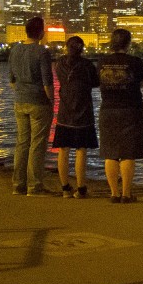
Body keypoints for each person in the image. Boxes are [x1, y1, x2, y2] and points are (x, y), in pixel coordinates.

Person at [97, 28, 143, 203]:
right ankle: (126, 194)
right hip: (131, 109)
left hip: (108, 109)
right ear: (128, 43)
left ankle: (114, 193)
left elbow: (99, 81)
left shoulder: (102, 61)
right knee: (128, 153)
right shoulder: (135, 61)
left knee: (110, 153)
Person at [8, 16, 55, 196]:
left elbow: (12, 80)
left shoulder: (15, 50)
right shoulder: (42, 52)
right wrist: (51, 101)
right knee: (37, 144)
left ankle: (18, 184)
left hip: (20, 100)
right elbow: (47, 82)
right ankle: (34, 186)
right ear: (41, 33)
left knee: (22, 143)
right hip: (38, 102)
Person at [52, 36, 99, 198]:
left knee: (63, 150)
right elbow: (95, 82)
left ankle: (65, 188)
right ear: (82, 49)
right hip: (83, 112)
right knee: (81, 150)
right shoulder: (87, 65)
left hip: (64, 112)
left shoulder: (59, 63)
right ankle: (81, 188)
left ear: (66, 47)